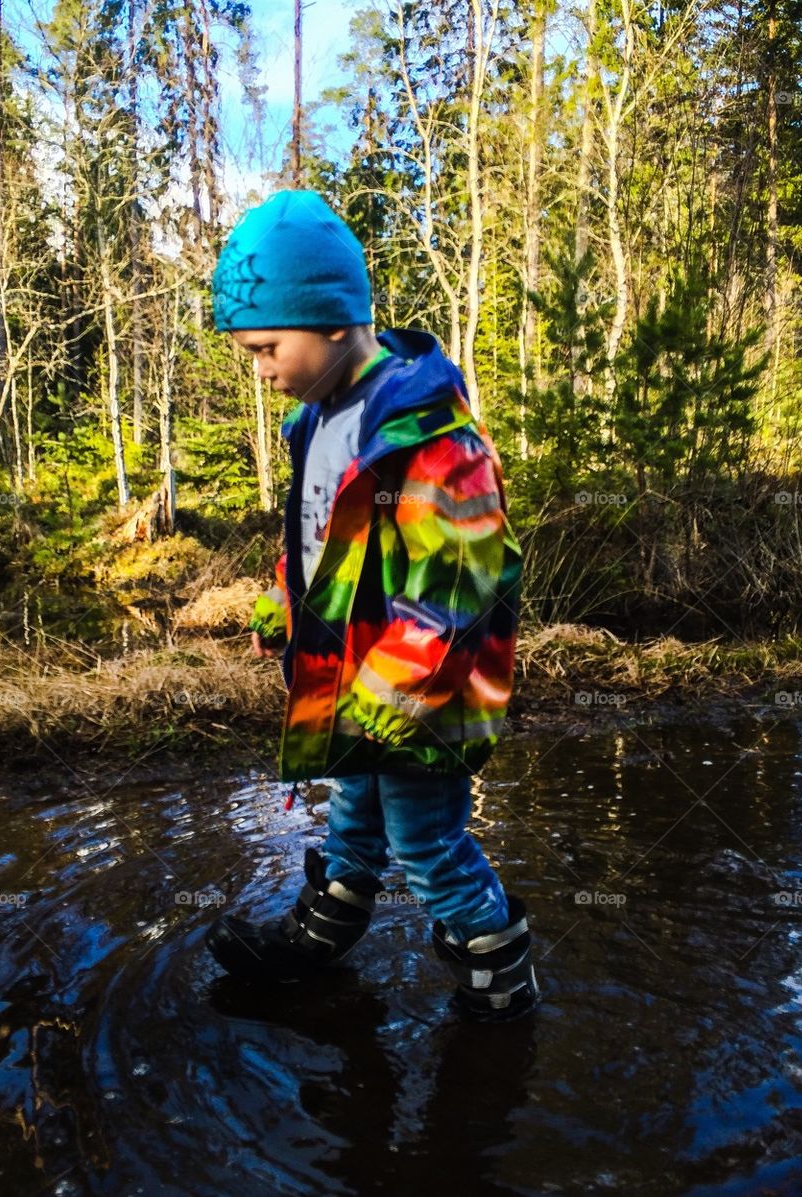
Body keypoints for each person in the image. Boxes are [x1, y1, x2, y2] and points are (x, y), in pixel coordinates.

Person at [205, 189, 539, 1022]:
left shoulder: (428, 432)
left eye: (266, 348)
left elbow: (460, 579)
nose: (260, 369)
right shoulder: (315, 420)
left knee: (428, 844)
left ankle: (500, 983)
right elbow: (322, 540)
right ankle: (323, 934)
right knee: (352, 815)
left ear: (329, 321)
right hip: (355, 686)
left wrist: (394, 692)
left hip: (421, 698)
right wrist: (285, 603)